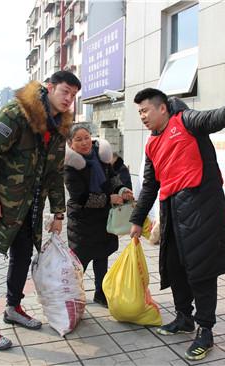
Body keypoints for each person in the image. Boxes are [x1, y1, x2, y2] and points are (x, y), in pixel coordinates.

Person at [129, 88, 225, 361]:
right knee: (175, 267)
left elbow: (213, 118)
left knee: (201, 272)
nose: (143, 117)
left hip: (200, 211)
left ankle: (205, 330)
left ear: (162, 108)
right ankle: (184, 318)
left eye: (145, 110)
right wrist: (136, 219)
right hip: (171, 212)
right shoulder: (151, 144)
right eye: (140, 113)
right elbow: (149, 186)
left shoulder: (186, 122)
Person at [0, 71, 81, 351]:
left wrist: (59, 213)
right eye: (65, 92)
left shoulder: (59, 126)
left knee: (22, 256)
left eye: (73, 95)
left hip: (26, 208)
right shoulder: (16, 114)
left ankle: (13, 307)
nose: (69, 99)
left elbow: (55, 173)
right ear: (49, 88)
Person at [64, 125, 133, 307]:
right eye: (78, 140)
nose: (84, 142)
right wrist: (108, 198)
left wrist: (121, 190)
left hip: (103, 218)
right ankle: (74, 297)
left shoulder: (100, 155)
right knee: (80, 262)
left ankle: (100, 293)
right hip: (82, 221)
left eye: (86, 137)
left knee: (102, 257)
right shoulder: (70, 166)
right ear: (70, 144)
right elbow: (79, 197)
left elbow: (112, 178)